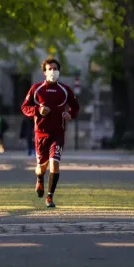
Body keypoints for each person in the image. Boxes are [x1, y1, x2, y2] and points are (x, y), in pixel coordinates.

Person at [21, 57, 80, 208]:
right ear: (44, 72)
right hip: (41, 133)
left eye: (55, 69)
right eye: (50, 69)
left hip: (58, 133)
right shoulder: (36, 88)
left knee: (55, 164)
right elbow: (25, 107)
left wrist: (70, 115)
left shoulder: (65, 89)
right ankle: (39, 178)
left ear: (59, 71)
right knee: (42, 166)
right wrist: (37, 110)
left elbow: (75, 105)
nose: (53, 71)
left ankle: (50, 197)